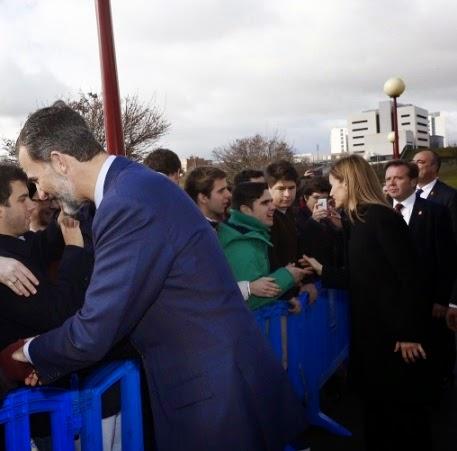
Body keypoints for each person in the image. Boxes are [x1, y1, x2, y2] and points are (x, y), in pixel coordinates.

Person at [13, 103, 307, 451]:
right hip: (217, 382)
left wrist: (28, 352)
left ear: (60, 160)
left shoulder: (127, 203)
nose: (41, 193)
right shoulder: (133, 187)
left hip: (212, 395)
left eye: (36, 179)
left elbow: (96, 328)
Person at [303, 154, 431, 451]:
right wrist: (324, 271)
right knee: (379, 411)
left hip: (394, 337)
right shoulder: (359, 220)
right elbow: (362, 276)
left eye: (334, 185)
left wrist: (408, 332)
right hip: (373, 334)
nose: (330, 193)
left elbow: (410, 277)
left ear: (349, 183)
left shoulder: (381, 218)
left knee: (401, 415)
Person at [385, 159, 457, 389]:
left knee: (430, 358)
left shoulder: (436, 212)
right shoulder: (379, 213)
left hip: (429, 303)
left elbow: (446, 259)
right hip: (394, 304)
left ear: (413, 181)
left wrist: (442, 299)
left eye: (398, 178)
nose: (392, 183)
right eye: (388, 179)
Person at [218, 182, 310, 311]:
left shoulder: (249, 234)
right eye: (265, 203)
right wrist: (288, 276)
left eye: (271, 201)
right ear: (246, 210)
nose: (273, 207)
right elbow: (249, 301)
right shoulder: (241, 245)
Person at [265, 160, 317, 303]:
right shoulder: (266, 218)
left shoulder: (289, 212)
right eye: (281, 189)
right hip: (280, 298)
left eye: (291, 188)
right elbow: (271, 261)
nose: (287, 194)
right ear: (269, 188)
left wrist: (307, 281)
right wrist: (286, 294)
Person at [413, 149, 457, 242]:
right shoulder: (406, 192)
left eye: (420, 162)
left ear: (434, 167)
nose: (414, 166)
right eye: (412, 162)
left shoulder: (449, 196)